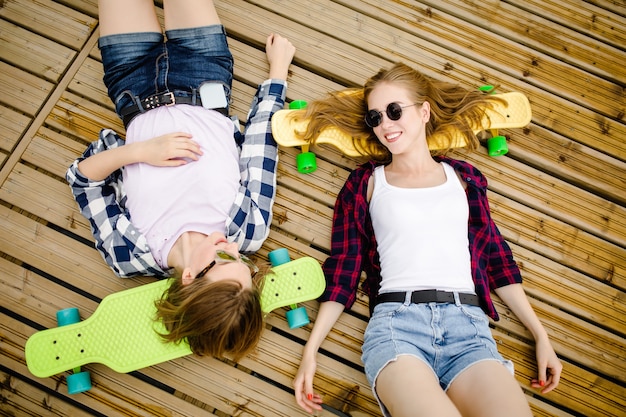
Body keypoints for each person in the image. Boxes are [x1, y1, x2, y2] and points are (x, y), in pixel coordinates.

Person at [292, 63, 562, 416]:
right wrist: (310, 352)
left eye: (393, 111)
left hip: (469, 328)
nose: (385, 125)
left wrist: (541, 336)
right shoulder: (366, 184)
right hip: (397, 327)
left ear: (423, 111)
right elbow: (344, 269)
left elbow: (496, 260)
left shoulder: (463, 179)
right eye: (376, 117)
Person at [66, 0, 295, 360]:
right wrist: (278, 75)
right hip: (203, 76)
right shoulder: (248, 230)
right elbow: (259, 149)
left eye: (222, 258)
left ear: (189, 277)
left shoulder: (128, 253)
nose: (232, 247)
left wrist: (140, 152)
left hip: (131, 84)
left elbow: (83, 181)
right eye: (244, 263)